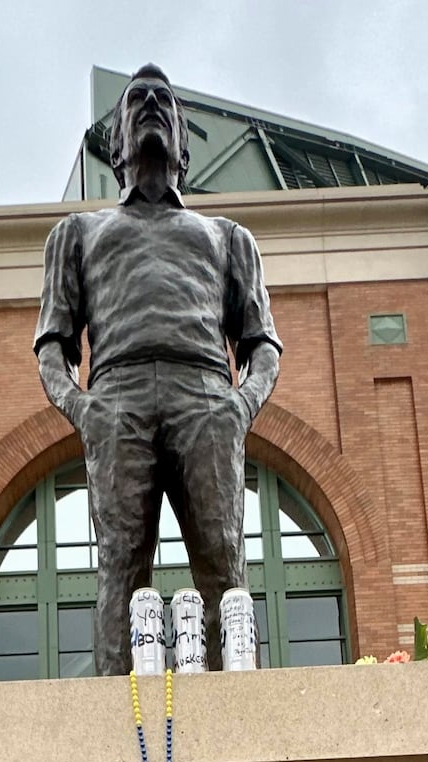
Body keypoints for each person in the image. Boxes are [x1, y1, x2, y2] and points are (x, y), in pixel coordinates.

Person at [34, 64, 283, 673]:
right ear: (115, 145)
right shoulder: (76, 234)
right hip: (115, 396)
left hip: (205, 393)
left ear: (184, 149)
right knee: (120, 562)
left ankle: (236, 717)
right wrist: (83, 408)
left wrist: (240, 404)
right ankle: (117, 729)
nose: (149, 103)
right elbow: (51, 347)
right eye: (136, 100)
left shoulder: (228, 237)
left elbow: (263, 345)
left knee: (224, 562)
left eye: (163, 101)